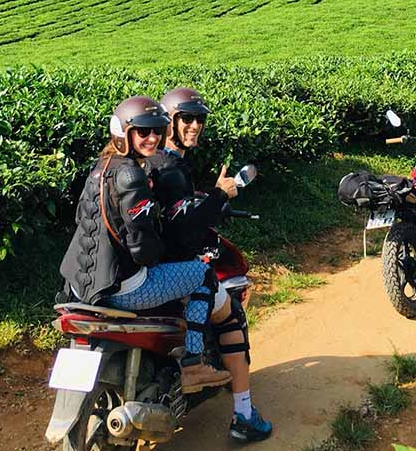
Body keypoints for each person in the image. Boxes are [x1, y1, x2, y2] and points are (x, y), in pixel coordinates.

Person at [57, 95, 231, 394]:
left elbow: (81, 219)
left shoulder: (100, 167)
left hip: (78, 286)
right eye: (143, 131)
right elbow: (142, 247)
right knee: (202, 275)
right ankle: (193, 364)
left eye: (156, 131)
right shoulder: (132, 175)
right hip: (122, 287)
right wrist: (163, 254)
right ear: (124, 134)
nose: (152, 138)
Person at [149, 86, 273, 443]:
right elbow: (184, 225)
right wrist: (220, 195)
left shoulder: (151, 163)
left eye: (199, 119)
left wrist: (205, 199)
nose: (194, 125)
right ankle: (244, 416)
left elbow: (175, 210)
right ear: (168, 122)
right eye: (186, 118)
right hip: (176, 269)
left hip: (146, 268)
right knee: (231, 316)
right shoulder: (171, 167)